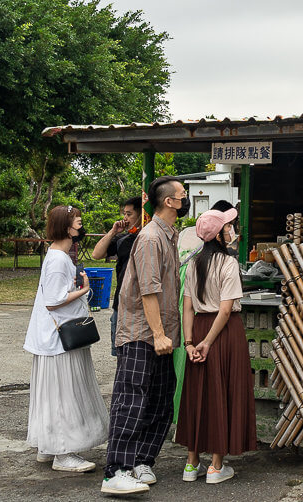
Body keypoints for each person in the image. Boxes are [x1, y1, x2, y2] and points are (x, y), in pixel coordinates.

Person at [102, 177, 188, 496]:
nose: (185, 198)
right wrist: (158, 334)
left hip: (161, 332)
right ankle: (116, 470)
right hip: (142, 332)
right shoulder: (151, 237)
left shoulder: (169, 235)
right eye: (182, 195)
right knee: (131, 399)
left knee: (162, 399)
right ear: (169, 202)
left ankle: (140, 460)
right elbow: (148, 290)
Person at [23, 205, 109, 473]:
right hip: (60, 337)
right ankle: (63, 453)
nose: (81, 226)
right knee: (64, 394)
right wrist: (83, 290)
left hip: (52, 338)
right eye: (77, 222)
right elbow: (54, 301)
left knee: (52, 395)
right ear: (66, 227)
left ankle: (48, 447)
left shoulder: (56, 255)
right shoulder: (59, 259)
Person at [175, 207, 256, 484]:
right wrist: (208, 343)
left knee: (198, 394)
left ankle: (191, 463)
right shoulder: (228, 263)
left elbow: (187, 307)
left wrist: (189, 343)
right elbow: (225, 309)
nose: (232, 230)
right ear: (220, 235)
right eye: (228, 226)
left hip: (197, 328)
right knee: (223, 392)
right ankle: (216, 466)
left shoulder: (193, 262)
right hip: (223, 334)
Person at [90, 196, 143, 357]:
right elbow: (96, 254)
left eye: (129, 214)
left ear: (142, 214)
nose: (125, 218)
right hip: (120, 303)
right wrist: (113, 232)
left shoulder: (150, 238)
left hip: (140, 304)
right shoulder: (123, 238)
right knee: (121, 354)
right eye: (124, 214)